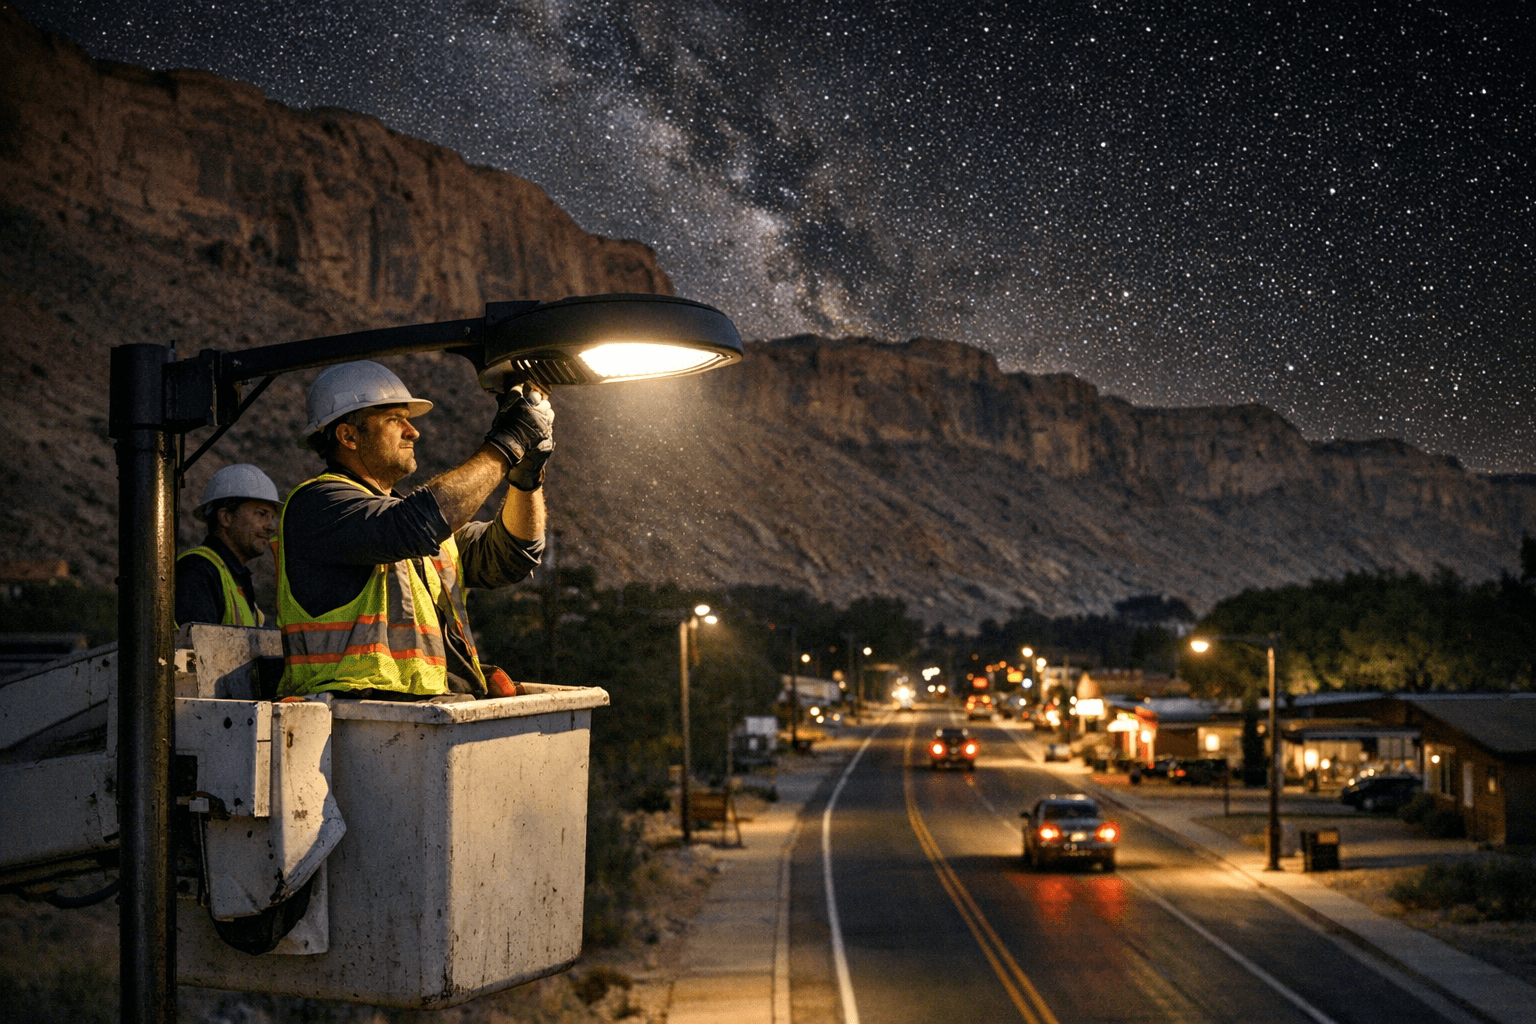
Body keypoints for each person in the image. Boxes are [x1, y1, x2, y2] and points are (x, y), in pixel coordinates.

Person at [275, 360, 553, 701]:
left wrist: (526, 478)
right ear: (348, 436)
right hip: (352, 718)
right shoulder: (318, 505)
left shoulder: (408, 522)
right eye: (395, 419)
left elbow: (514, 555)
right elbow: (413, 525)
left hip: (423, 715)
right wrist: (509, 442)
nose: (413, 431)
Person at [176, 463, 281, 627]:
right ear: (226, 517)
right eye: (261, 514)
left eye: (272, 517)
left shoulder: (233, 577)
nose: (270, 527)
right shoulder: (197, 571)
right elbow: (194, 642)